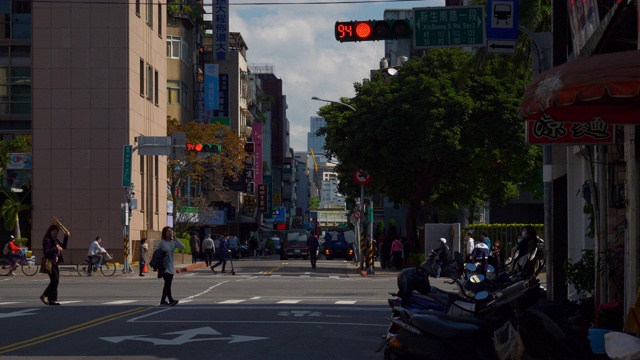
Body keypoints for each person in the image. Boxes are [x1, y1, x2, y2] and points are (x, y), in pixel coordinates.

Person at [41, 224, 69, 306]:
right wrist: (56, 248)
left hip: (55, 263)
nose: (56, 232)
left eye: (57, 231)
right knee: (55, 280)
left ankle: (52, 300)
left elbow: (64, 247)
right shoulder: (47, 240)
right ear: (50, 231)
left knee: (55, 281)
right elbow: (46, 251)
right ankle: (45, 295)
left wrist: (66, 237)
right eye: (54, 230)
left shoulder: (56, 240)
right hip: (49, 262)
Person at [157, 226, 185, 306]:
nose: (170, 233)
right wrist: (163, 254)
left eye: (171, 231)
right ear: (165, 233)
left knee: (167, 284)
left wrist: (176, 239)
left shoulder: (173, 242)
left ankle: (163, 301)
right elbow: (156, 253)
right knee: (167, 283)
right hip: (164, 266)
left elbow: (183, 247)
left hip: (171, 266)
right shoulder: (162, 242)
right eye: (168, 231)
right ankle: (170, 300)